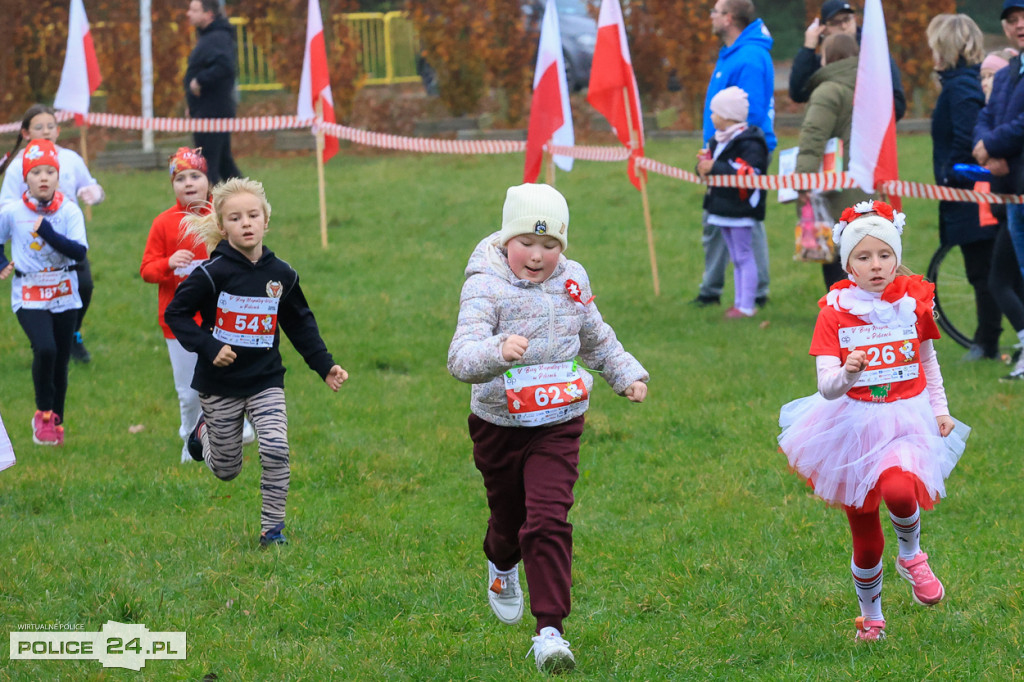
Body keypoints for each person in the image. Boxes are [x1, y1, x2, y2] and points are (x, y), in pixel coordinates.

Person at [447, 183, 649, 673]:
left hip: (559, 422)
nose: (538, 256)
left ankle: (550, 632)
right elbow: (459, 358)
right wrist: (497, 351)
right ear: (505, 239)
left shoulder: (573, 279)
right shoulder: (484, 282)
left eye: (551, 245)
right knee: (508, 522)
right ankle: (500, 562)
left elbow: (595, 336)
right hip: (499, 423)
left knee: (546, 520)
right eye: (527, 243)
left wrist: (626, 373)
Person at [778, 201, 969, 642]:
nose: (876, 265)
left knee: (902, 490)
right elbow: (826, 385)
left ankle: (913, 556)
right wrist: (848, 373)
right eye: (863, 257)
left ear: (896, 256)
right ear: (847, 264)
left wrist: (940, 410)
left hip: (906, 417)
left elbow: (928, 361)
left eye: (884, 255)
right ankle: (872, 616)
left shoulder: (912, 303)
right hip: (849, 426)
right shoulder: (834, 312)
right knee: (865, 533)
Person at [164, 177, 348, 546]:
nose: (245, 223)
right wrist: (210, 346)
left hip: (266, 380)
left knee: (276, 449)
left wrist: (325, 365)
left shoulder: (282, 275)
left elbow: (300, 324)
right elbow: (176, 314)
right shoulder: (210, 274)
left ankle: (272, 530)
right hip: (220, 385)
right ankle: (202, 433)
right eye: (235, 218)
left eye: (252, 215)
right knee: (227, 470)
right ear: (221, 227)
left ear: (266, 221)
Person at [140, 147, 254, 464]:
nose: (188, 183)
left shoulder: (221, 219)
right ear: (172, 184)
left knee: (229, 375)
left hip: (222, 319)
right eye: (180, 178)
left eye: (196, 176)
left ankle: (235, 425)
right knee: (189, 391)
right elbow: (147, 270)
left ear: (208, 181)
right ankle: (190, 439)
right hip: (178, 322)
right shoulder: (163, 224)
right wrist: (167, 262)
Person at [0, 140, 88, 446]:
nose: (43, 177)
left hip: (64, 291)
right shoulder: (12, 211)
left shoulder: (70, 211)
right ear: (26, 178)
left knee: (62, 360)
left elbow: (79, 253)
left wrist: (47, 232)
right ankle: (43, 413)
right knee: (46, 348)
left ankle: (57, 422)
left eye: (50, 171)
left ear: (57, 176)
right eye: (36, 172)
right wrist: (1, 261)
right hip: (28, 293)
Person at [0, 104, 104, 364]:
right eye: (38, 127)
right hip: (34, 243)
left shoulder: (70, 158)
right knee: (41, 297)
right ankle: (45, 341)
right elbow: (5, 205)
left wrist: (95, 193)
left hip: (68, 239)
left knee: (86, 285)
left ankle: (71, 334)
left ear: (58, 130)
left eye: (50, 126)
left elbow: (89, 185)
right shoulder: (18, 167)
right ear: (25, 133)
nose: (45, 131)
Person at [928, 14, 1003, 363]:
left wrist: (948, 175)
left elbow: (966, 143)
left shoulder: (961, 89)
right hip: (965, 194)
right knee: (985, 270)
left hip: (971, 196)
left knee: (983, 271)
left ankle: (986, 342)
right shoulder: (961, 84)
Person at [692, 0, 775, 308]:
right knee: (716, 219)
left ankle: (755, 292)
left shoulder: (750, 57)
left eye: (715, 11)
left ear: (728, 18)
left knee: (744, 221)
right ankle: (712, 289)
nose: (711, 17)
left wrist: (723, 159)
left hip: (740, 155)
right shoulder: (732, 53)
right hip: (719, 153)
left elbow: (749, 117)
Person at [795, 33, 871, 290]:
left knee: (838, 258)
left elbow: (813, 136)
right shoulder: (870, 87)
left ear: (828, 57)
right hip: (868, 183)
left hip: (836, 189)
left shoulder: (828, 90)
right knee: (866, 257)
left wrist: (803, 179)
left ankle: (842, 322)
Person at [973, 0, 1024, 380]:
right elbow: (987, 116)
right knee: (1001, 278)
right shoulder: (1007, 74)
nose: (1018, 25)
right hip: (1011, 193)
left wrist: (994, 146)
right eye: (1011, 20)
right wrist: (987, 148)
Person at [696, 86, 768, 318]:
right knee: (736, 257)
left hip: (740, 209)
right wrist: (701, 167)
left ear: (728, 116)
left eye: (715, 113)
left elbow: (749, 172)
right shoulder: (716, 141)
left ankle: (746, 305)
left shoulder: (751, 142)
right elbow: (711, 167)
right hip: (721, 207)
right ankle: (739, 302)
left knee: (743, 255)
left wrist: (714, 167)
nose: (711, 117)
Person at [789, 0, 907, 122]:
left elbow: (897, 103)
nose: (844, 27)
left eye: (847, 19)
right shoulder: (820, 61)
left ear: (854, 19)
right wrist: (808, 47)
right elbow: (798, 93)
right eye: (835, 22)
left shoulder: (874, 54)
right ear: (823, 28)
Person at [184, 0, 242, 185]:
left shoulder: (216, 37)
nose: (188, 14)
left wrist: (199, 80)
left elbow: (225, 66)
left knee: (207, 166)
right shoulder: (210, 37)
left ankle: (209, 210)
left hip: (213, 112)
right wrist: (192, 104)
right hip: (207, 109)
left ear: (208, 14)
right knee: (225, 164)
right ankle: (250, 201)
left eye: (194, 10)